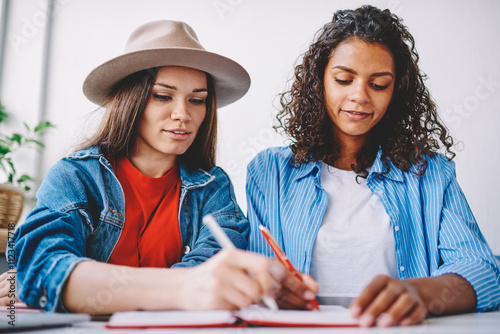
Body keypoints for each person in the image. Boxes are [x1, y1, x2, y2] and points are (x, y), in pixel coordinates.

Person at [1, 20, 299, 314]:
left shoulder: (212, 186)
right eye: (162, 96)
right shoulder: (75, 176)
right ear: (131, 100)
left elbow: (215, 273)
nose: (183, 114)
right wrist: (183, 287)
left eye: (197, 100)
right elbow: (42, 269)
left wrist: (77, 284)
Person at [246, 5, 500, 327]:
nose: (359, 96)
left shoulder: (429, 174)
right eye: (343, 79)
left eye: (378, 84)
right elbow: (255, 279)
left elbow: (482, 271)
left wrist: (420, 293)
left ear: (397, 92)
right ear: (319, 81)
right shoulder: (270, 173)